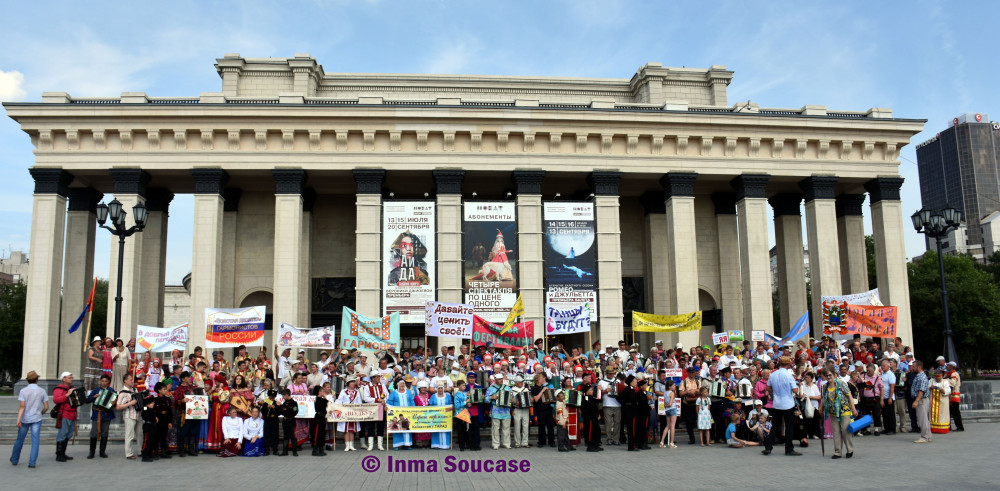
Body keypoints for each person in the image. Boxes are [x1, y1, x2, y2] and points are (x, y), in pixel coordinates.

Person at [763, 355, 800, 456]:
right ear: (788, 364)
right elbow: (795, 390)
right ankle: (789, 449)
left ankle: (768, 447)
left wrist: (775, 391)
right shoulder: (789, 375)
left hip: (777, 403)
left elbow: (768, 388)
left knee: (775, 426)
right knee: (789, 427)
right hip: (788, 403)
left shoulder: (773, 374)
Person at [10, 370, 48, 468]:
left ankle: (14, 459)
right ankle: (32, 463)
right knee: (35, 441)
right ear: (37, 380)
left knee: (20, 439)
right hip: (37, 418)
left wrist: (18, 419)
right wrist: (41, 413)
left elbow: (22, 406)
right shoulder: (42, 391)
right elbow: (46, 407)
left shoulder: (23, 391)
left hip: (25, 418)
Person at [822, 368, 857, 459]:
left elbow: (849, 395)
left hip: (844, 410)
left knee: (845, 431)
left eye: (830, 375)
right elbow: (823, 398)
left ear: (834, 375)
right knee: (836, 432)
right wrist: (820, 408)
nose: (829, 377)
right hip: (833, 412)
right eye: (827, 376)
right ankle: (838, 452)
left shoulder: (841, 383)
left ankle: (850, 449)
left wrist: (853, 408)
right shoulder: (825, 386)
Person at [86, 374, 116, 459]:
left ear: (108, 382)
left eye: (106, 381)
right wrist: (94, 397)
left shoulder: (111, 390)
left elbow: (114, 402)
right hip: (97, 413)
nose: (104, 383)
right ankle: (92, 452)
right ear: (100, 381)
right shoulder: (96, 390)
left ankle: (102, 451)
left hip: (106, 413)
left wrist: (114, 403)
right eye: (102, 381)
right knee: (94, 433)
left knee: (104, 432)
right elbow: (88, 400)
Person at [115, 373, 142, 459]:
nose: (132, 381)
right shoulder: (122, 393)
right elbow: (118, 406)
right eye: (130, 379)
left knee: (140, 434)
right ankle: (129, 453)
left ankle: (141, 451)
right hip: (129, 415)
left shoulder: (135, 390)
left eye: (132, 379)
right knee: (129, 435)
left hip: (138, 414)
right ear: (125, 381)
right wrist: (130, 403)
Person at [386, 378, 415, 449]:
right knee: (397, 428)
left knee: (407, 427)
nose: (402, 385)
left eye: (403, 383)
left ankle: (407, 444)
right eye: (401, 383)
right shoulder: (393, 393)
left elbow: (412, 402)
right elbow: (389, 402)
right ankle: (397, 444)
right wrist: (387, 406)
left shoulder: (408, 392)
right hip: (397, 414)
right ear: (397, 385)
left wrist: (414, 410)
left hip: (407, 414)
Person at [335, 376, 363, 451]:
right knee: (346, 429)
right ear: (348, 384)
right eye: (351, 382)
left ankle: (351, 444)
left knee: (352, 429)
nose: (353, 383)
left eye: (353, 382)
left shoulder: (357, 392)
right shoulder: (343, 392)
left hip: (353, 412)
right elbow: (339, 400)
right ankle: (347, 445)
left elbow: (359, 402)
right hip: (345, 412)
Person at [486, 374, 512, 449]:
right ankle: (495, 444)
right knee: (495, 429)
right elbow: (486, 400)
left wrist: (512, 400)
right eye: (499, 379)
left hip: (506, 410)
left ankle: (506, 443)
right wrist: (492, 397)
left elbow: (512, 397)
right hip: (496, 410)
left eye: (501, 379)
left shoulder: (507, 388)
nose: (501, 380)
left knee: (506, 428)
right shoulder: (491, 388)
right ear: (495, 380)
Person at [598, 366, 623, 446]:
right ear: (606, 373)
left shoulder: (617, 381)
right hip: (607, 404)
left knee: (617, 423)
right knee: (608, 423)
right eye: (610, 373)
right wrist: (605, 391)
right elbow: (598, 395)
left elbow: (622, 391)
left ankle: (616, 439)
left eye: (613, 373)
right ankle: (609, 438)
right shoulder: (601, 382)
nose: (612, 375)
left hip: (617, 404)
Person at [531, 372, 556, 448]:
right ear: (538, 380)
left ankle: (551, 441)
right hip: (540, 409)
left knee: (550, 426)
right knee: (541, 426)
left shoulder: (545, 387)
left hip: (548, 408)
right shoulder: (534, 388)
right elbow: (536, 399)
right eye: (542, 379)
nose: (543, 380)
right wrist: (542, 391)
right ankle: (541, 441)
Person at [910, 361, 932, 443]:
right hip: (921, 399)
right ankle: (928, 436)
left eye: (914, 366)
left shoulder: (922, 377)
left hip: (921, 399)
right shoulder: (919, 376)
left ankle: (924, 436)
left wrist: (916, 401)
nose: (913, 368)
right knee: (925, 419)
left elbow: (921, 390)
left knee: (922, 418)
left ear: (919, 367)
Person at [152, 382, 174, 459]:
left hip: (165, 418)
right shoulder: (155, 399)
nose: (165, 390)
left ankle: (164, 452)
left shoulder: (168, 399)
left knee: (164, 436)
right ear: (159, 390)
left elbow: (170, 411)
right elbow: (152, 410)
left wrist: (170, 421)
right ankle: (156, 452)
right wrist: (154, 417)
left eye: (165, 389)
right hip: (158, 419)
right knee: (156, 436)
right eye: (164, 389)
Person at [680, 366, 701, 445]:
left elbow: (701, 390)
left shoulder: (698, 381)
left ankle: (703, 437)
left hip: (696, 403)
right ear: (688, 373)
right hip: (688, 404)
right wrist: (688, 392)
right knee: (689, 422)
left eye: (693, 372)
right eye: (691, 372)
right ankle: (691, 438)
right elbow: (681, 393)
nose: (693, 374)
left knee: (698, 420)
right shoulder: (684, 382)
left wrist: (695, 391)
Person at [510, 375, 531, 448]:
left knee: (525, 426)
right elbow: (511, 400)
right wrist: (514, 402)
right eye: (520, 382)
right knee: (517, 426)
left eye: (522, 382)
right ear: (516, 382)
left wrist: (531, 400)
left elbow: (529, 398)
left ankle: (525, 442)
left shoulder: (526, 389)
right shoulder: (512, 389)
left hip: (525, 409)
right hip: (517, 409)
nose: (522, 383)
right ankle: (517, 442)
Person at [430, 383, 453, 449]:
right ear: (437, 389)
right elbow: (430, 405)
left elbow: (450, 404)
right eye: (439, 388)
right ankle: (436, 444)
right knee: (437, 429)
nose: (440, 389)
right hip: (436, 417)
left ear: (443, 389)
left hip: (446, 417)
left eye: (441, 388)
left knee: (445, 430)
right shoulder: (433, 396)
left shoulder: (448, 396)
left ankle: (446, 445)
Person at [929, 370, 951, 435]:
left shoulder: (945, 382)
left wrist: (943, 390)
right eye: (937, 378)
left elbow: (949, 390)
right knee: (932, 414)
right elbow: (927, 388)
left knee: (942, 415)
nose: (938, 379)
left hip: (942, 402)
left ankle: (942, 429)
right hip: (933, 401)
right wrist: (930, 388)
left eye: (939, 378)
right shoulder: (931, 381)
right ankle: (933, 428)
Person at [279, 388, 300, 456]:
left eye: (283, 396)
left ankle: (294, 451)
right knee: (285, 436)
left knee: (293, 436)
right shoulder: (285, 403)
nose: (283, 397)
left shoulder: (293, 403)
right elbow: (282, 411)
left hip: (291, 420)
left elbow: (294, 412)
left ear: (287, 395)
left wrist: (286, 411)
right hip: (285, 420)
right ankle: (285, 451)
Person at [658, 379, 678, 448]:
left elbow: (664, 403)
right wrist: (668, 405)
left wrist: (666, 406)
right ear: (670, 386)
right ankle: (672, 442)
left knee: (667, 425)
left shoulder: (665, 393)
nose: (674, 386)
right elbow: (670, 403)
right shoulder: (672, 393)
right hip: (672, 409)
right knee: (672, 426)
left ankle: (662, 441)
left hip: (667, 410)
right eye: (673, 385)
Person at [946, 362, 964, 431]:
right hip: (951, 396)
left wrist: (944, 380)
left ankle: (959, 426)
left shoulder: (954, 374)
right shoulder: (949, 373)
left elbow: (952, 383)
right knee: (950, 412)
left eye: (948, 365)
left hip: (954, 396)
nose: (947, 366)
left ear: (951, 367)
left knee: (955, 412)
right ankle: (949, 426)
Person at [140, 393, 158, 462]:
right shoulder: (145, 409)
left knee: (151, 442)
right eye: (152, 403)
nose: (153, 404)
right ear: (148, 404)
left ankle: (150, 454)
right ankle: (145, 455)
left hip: (152, 426)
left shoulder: (151, 409)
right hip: (148, 426)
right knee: (147, 442)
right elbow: (147, 415)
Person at [453, 379, 469, 451]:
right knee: (460, 430)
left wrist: (469, 404)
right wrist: (465, 402)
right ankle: (461, 446)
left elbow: (468, 403)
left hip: (466, 413)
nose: (464, 387)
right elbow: (457, 406)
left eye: (465, 385)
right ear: (458, 386)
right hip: (459, 414)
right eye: (463, 385)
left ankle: (466, 444)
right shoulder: (457, 395)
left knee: (466, 430)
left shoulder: (466, 393)